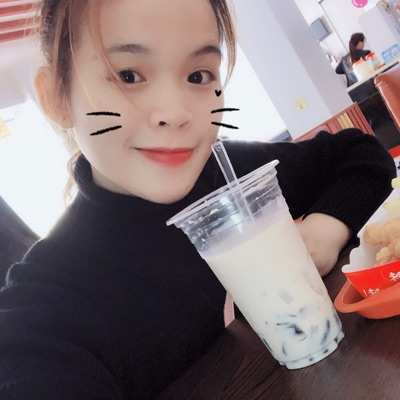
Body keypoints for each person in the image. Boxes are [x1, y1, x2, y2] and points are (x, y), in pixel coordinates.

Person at [0, 1, 396, 399]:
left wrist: (323, 232)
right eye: (128, 75)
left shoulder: (233, 174)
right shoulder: (43, 313)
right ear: (57, 97)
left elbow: (359, 154)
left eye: (198, 75)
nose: (175, 113)